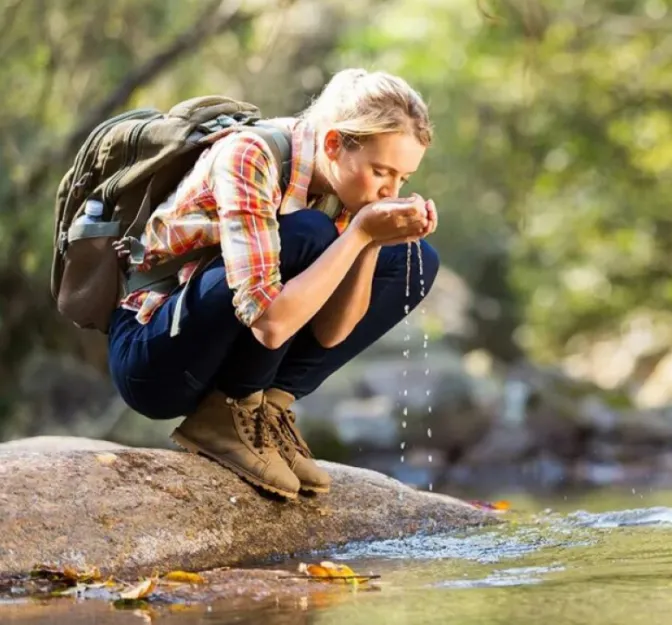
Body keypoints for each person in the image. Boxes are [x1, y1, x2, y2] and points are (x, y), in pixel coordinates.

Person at [106, 68, 439, 500]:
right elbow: (271, 325)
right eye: (381, 172)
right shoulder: (250, 155)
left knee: (413, 260)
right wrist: (356, 234)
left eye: (402, 180)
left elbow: (330, 334)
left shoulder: (338, 188)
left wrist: (372, 242)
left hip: (220, 345)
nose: (390, 191)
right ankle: (229, 412)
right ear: (334, 143)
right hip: (154, 356)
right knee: (312, 234)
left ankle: (267, 411)